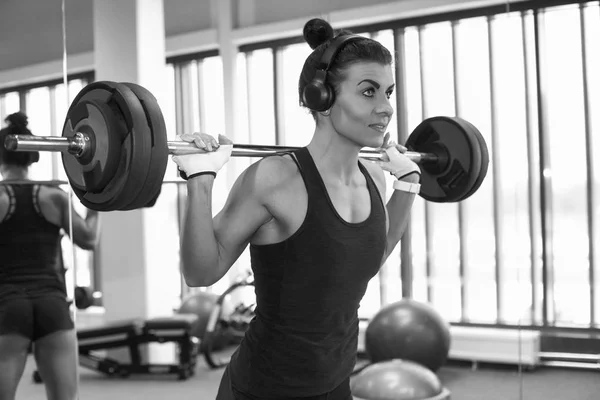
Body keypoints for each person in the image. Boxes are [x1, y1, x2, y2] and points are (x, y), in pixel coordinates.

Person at [173, 18, 421, 400]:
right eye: (368, 92)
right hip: (264, 388)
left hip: (336, 383)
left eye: (388, 91)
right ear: (321, 97)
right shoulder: (274, 179)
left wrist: (406, 186)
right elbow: (200, 272)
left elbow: (366, 257)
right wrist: (200, 180)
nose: (386, 107)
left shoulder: (373, 176)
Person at [0, 111, 101, 400]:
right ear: (34, 157)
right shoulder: (54, 196)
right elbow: (90, 239)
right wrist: (98, 200)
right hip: (52, 304)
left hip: (8, 307)